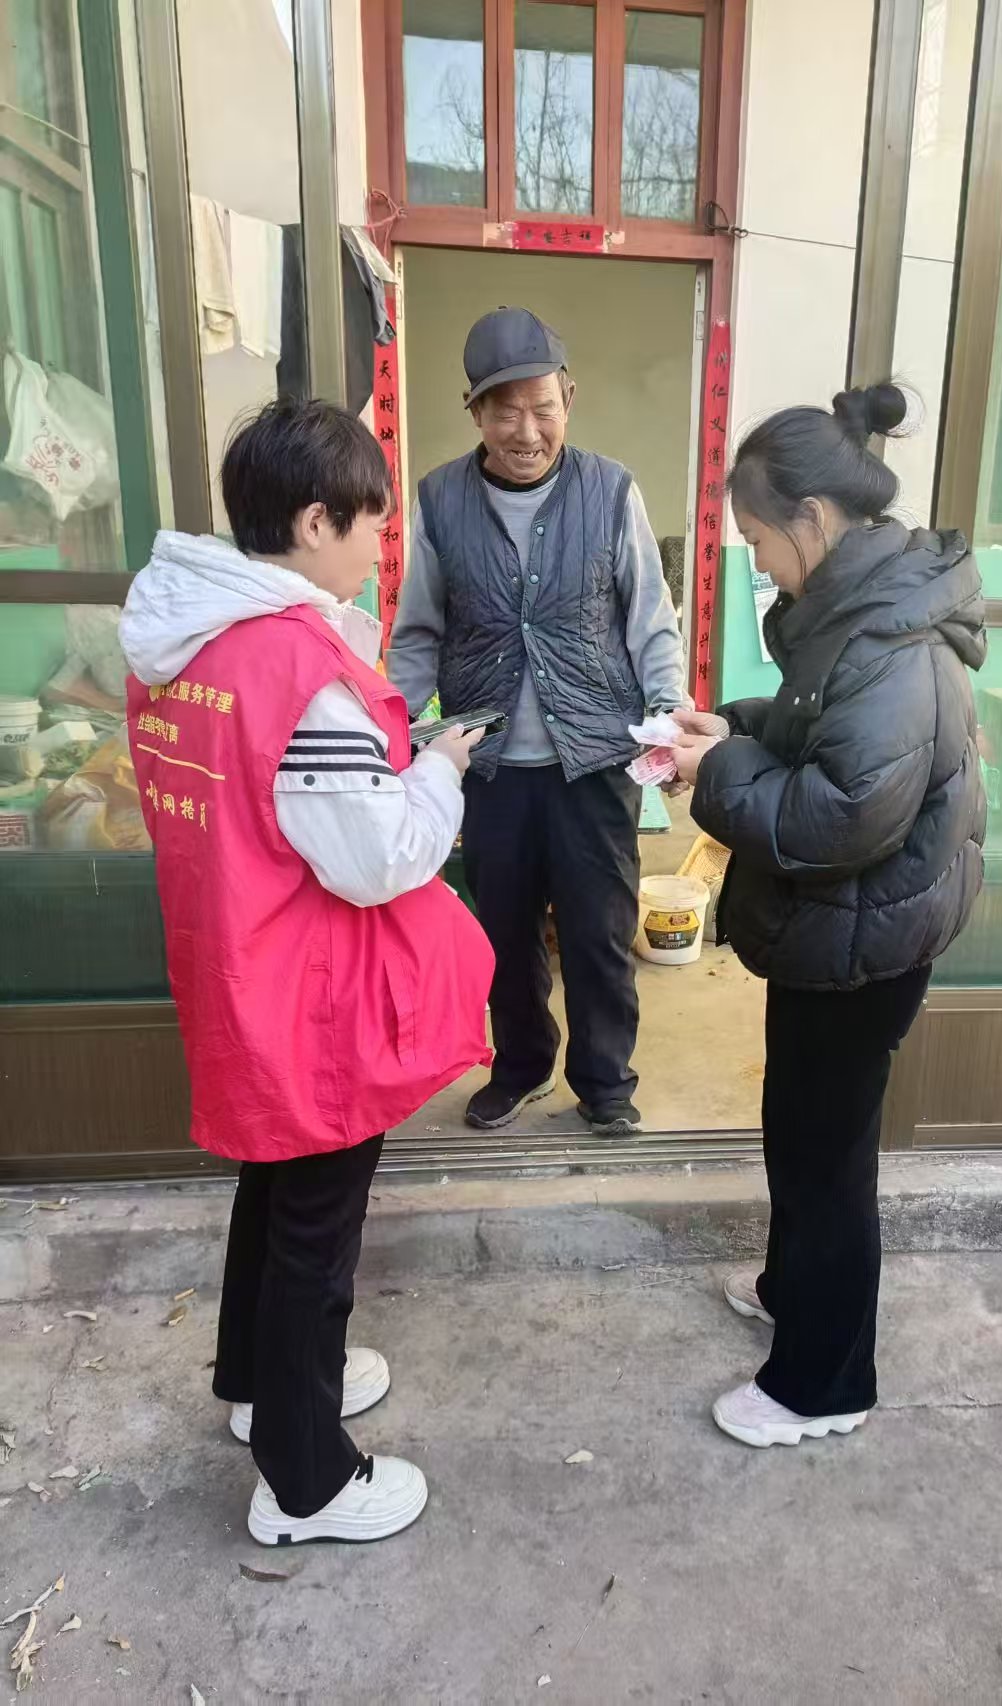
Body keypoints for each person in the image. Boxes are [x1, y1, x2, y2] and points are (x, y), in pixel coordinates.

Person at [120, 399, 494, 1544]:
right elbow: (376, 858)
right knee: (316, 1230)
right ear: (317, 519)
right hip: (309, 991)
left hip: (237, 963)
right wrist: (439, 767)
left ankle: (257, 1383)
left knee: (273, 1186)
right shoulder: (298, 666)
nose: (381, 545)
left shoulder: (182, 640)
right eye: (372, 522)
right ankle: (306, 1476)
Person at [669, 384, 987, 1448]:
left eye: (759, 540)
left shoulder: (890, 642)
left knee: (828, 1157)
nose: (757, 561)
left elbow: (837, 813)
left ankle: (823, 1382)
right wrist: (732, 728)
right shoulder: (860, 610)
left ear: (810, 518)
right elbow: (817, 727)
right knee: (798, 1128)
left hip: (865, 938)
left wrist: (717, 771)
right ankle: (789, 1290)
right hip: (838, 931)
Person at [387, 307, 687, 1137]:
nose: (527, 431)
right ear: (475, 413)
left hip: (594, 762)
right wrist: (392, 733)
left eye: (543, 408)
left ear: (569, 400)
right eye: (506, 411)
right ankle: (519, 1068)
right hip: (488, 769)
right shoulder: (441, 498)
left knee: (599, 935)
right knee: (504, 937)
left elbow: (650, 621)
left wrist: (666, 718)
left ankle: (604, 1082)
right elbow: (418, 633)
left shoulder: (611, 490)